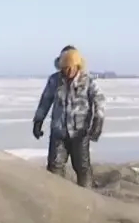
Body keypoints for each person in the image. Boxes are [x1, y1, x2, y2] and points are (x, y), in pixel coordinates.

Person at [32, 47, 106, 187]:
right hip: (59, 131)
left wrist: (98, 121)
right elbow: (45, 100)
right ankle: (55, 196)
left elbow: (100, 100)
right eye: (64, 68)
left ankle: (86, 198)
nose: (67, 71)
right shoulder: (55, 80)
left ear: (77, 65)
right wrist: (38, 120)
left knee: (82, 167)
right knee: (55, 166)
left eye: (70, 67)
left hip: (80, 132)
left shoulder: (88, 81)